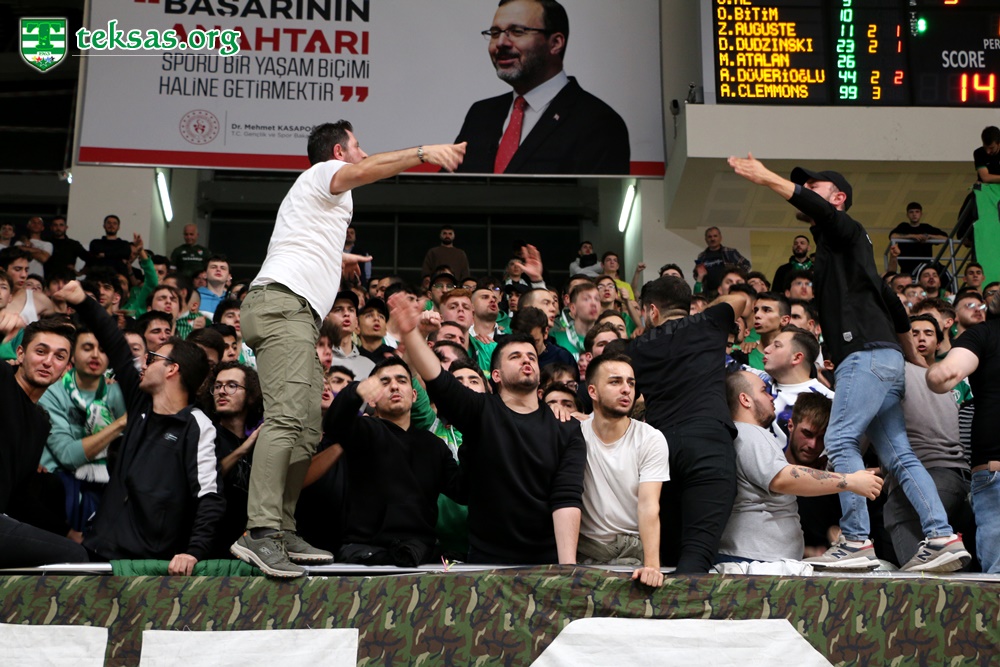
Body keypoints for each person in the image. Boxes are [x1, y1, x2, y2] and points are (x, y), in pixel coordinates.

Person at [231, 120, 465, 578]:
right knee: (286, 419)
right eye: (358, 145)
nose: (364, 152)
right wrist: (422, 152)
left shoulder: (321, 200)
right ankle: (259, 531)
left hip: (296, 313)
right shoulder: (324, 172)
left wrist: (338, 259)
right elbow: (367, 170)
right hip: (282, 306)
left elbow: (299, 240)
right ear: (339, 152)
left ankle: (282, 527)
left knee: (306, 429)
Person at [728, 154, 969, 572]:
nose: (808, 192)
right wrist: (910, 359)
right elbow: (892, 304)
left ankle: (856, 539)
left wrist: (766, 178)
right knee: (899, 455)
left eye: (815, 187)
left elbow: (818, 209)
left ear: (837, 199)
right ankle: (941, 536)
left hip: (865, 358)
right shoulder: (848, 253)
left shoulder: (846, 230)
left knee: (840, 442)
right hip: (883, 360)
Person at [393, 292, 586, 564]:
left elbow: (566, 498)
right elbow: (438, 380)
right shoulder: (481, 411)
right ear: (496, 375)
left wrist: (567, 570)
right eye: (515, 356)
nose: (526, 361)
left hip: (547, 561)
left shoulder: (566, 427)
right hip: (487, 561)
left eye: (531, 357)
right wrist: (411, 333)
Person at [55, 280, 223, 575]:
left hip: (147, 565)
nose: (144, 362)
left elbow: (209, 496)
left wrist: (193, 551)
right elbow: (116, 346)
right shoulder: (140, 405)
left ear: (172, 369)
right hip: (98, 549)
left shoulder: (196, 425)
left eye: (153, 358)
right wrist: (83, 301)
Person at [624, 275, 753, 573]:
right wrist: (704, 312)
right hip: (707, 443)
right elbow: (740, 299)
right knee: (696, 555)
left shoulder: (637, 347)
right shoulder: (709, 322)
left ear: (652, 311)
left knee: (666, 556)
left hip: (659, 449)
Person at [718, 371, 882, 564]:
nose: (771, 397)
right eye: (764, 391)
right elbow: (782, 478)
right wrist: (850, 481)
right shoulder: (751, 434)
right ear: (745, 399)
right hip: (754, 561)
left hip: (759, 559)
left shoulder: (744, 434)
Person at [455, 0, 629, 175]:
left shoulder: (598, 123)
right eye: (495, 33)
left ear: (555, 43)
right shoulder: (480, 115)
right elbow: (449, 186)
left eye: (517, 31)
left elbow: (598, 192)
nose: (500, 42)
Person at [325, 357, 463, 566]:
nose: (394, 386)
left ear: (414, 395)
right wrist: (355, 391)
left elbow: (462, 490)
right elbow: (335, 423)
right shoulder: (363, 430)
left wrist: (474, 435)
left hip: (420, 553)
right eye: (385, 382)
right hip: (366, 553)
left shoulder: (434, 445)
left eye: (401, 380)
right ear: (372, 400)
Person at [0, 316, 90, 567]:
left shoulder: (40, 422)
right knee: (75, 558)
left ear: (66, 369)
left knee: (51, 487)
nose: (48, 361)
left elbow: (20, 498)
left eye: (59, 356)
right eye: (40, 351)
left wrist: (67, 532)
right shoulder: (3, 379)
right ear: (20, 354)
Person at [887, 316, 974, 568]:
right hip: (961, 481)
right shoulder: (946, 385)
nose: (920, 338)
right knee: (955, 571)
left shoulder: (892, 375)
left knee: (921, 578)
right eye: (914, 333)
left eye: (928, 333)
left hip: (927, 479)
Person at [577, 353, 669, 586]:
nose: (626, 389)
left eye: (631, 382)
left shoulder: (650, 438)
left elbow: (649, 505)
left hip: (635, 552)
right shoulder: (575, 434)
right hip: (587, 553)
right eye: (615, 382)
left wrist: (652, 566)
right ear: (592, 391)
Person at [927, 290, 1000, 573]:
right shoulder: (985, 334)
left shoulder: (983, 334)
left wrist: (939, 373)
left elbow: (946, 373)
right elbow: (949, 372)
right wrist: (942, 373)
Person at [38, 323, 128, 532]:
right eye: (87, 348)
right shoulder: (51, 393)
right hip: (60, 489)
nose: (95, 355)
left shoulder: (119, 394)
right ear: (72, 356)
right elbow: (68, 456)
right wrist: (120, 423)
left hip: (109, 488)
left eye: (103, 350)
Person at [204, 362, 263, 557]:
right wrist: (243, 450)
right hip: (210, 551)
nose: (222, 391)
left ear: (250, 395)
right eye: (218, 386)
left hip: (246, 551)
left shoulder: (256, 445)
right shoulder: (206, 434)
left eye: (232, 385)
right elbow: (207, 477)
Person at [889, 203, 948, 274]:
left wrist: (930, 236)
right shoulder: (903, 227)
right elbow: (892, 236)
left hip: (925, 266)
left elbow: (946, 238)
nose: (914, 214)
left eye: (917, 212)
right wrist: (912, 236)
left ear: (921, 214)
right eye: (911, 212)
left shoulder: (926, 228)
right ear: (907, 215)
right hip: (907, 267)